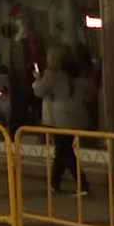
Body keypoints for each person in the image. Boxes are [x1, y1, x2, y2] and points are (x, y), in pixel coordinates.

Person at [33, 43, 92, 195]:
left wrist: (37, 80)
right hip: (75, 117)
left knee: (64, 150)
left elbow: (39, 91)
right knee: (62, 150)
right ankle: (54, 183)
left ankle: (82, 184)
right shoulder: (77, 74)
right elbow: (89, 93)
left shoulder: (52, 75)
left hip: (58, 118)